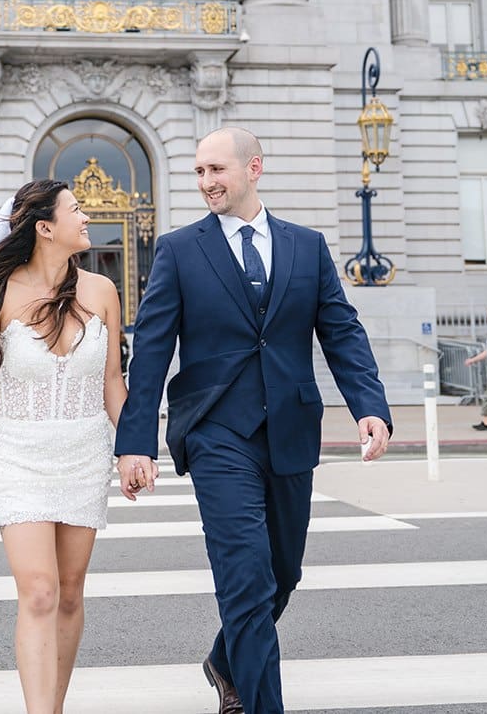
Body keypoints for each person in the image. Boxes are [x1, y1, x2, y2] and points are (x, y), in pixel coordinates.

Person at [115, 128, 392, 714]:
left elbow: (341, 330)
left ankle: (223, 659)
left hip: (290, 428)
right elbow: (153, 349)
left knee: (283, 573)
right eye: (198, 172)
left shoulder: (307, 246)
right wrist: (135, 441)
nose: (206, 182)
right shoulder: (179, 249)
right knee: (245, 577)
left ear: (254, 168)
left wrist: (368, 406)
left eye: (216, 169)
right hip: (216, 430)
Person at [0, 180, 127, 713]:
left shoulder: (103, 292)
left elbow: (112, 382)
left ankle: (53, 706)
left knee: (71, 591)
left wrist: (132, 448)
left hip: (84, 452)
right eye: (76, 210)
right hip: (20, 456)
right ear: (45, 227)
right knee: (39, 591)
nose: (86, 217)